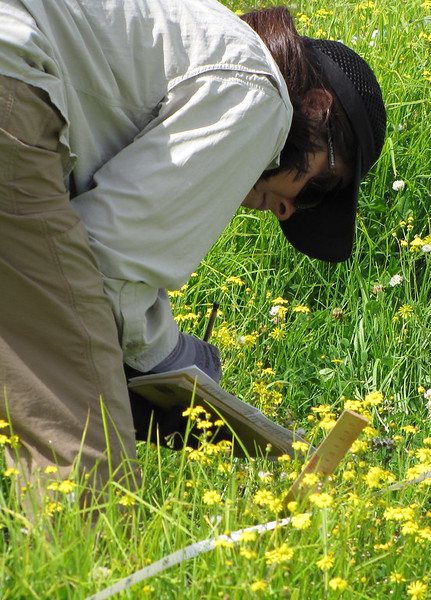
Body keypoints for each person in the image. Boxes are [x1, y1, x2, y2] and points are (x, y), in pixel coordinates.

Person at [0, 0, 386, 512]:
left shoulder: (200, 38)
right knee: (84, 448)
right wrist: (181, 369)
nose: (292, 209)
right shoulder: (261, 92)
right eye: (323, 185)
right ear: (315, 108)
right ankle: (84, 583)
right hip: (12, 81)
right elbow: (104, 265)